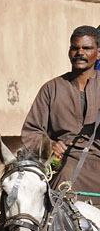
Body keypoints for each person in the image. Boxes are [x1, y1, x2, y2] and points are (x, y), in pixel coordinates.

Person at [22, 25, 100, 197]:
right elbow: (31, 131)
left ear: (98, 53)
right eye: (75, 48)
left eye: (87, 48)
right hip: (65, 163)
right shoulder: (52, 88)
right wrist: (50, 145)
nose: (80, 52)